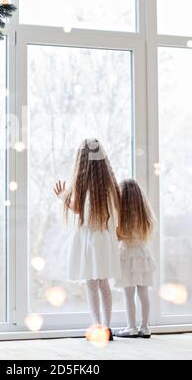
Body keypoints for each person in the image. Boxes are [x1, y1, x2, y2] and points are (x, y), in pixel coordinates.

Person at [54, 138, 121, 341]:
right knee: (103, 283)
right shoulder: (109, 187)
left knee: (92, 283)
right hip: (104, 240)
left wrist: (64, 197)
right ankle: (106, 327)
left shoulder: (88, 188)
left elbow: (81, 210)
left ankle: (97, 326)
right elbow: (111, 217)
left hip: (91, 240)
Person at [115, 179, 157, 339]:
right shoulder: (145, 215)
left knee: (128, 293)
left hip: (127, 256)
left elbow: (118, 237)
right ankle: (145, 327)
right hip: (144, 255)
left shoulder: (121, 216)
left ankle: (131, 327)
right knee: (144, 293)